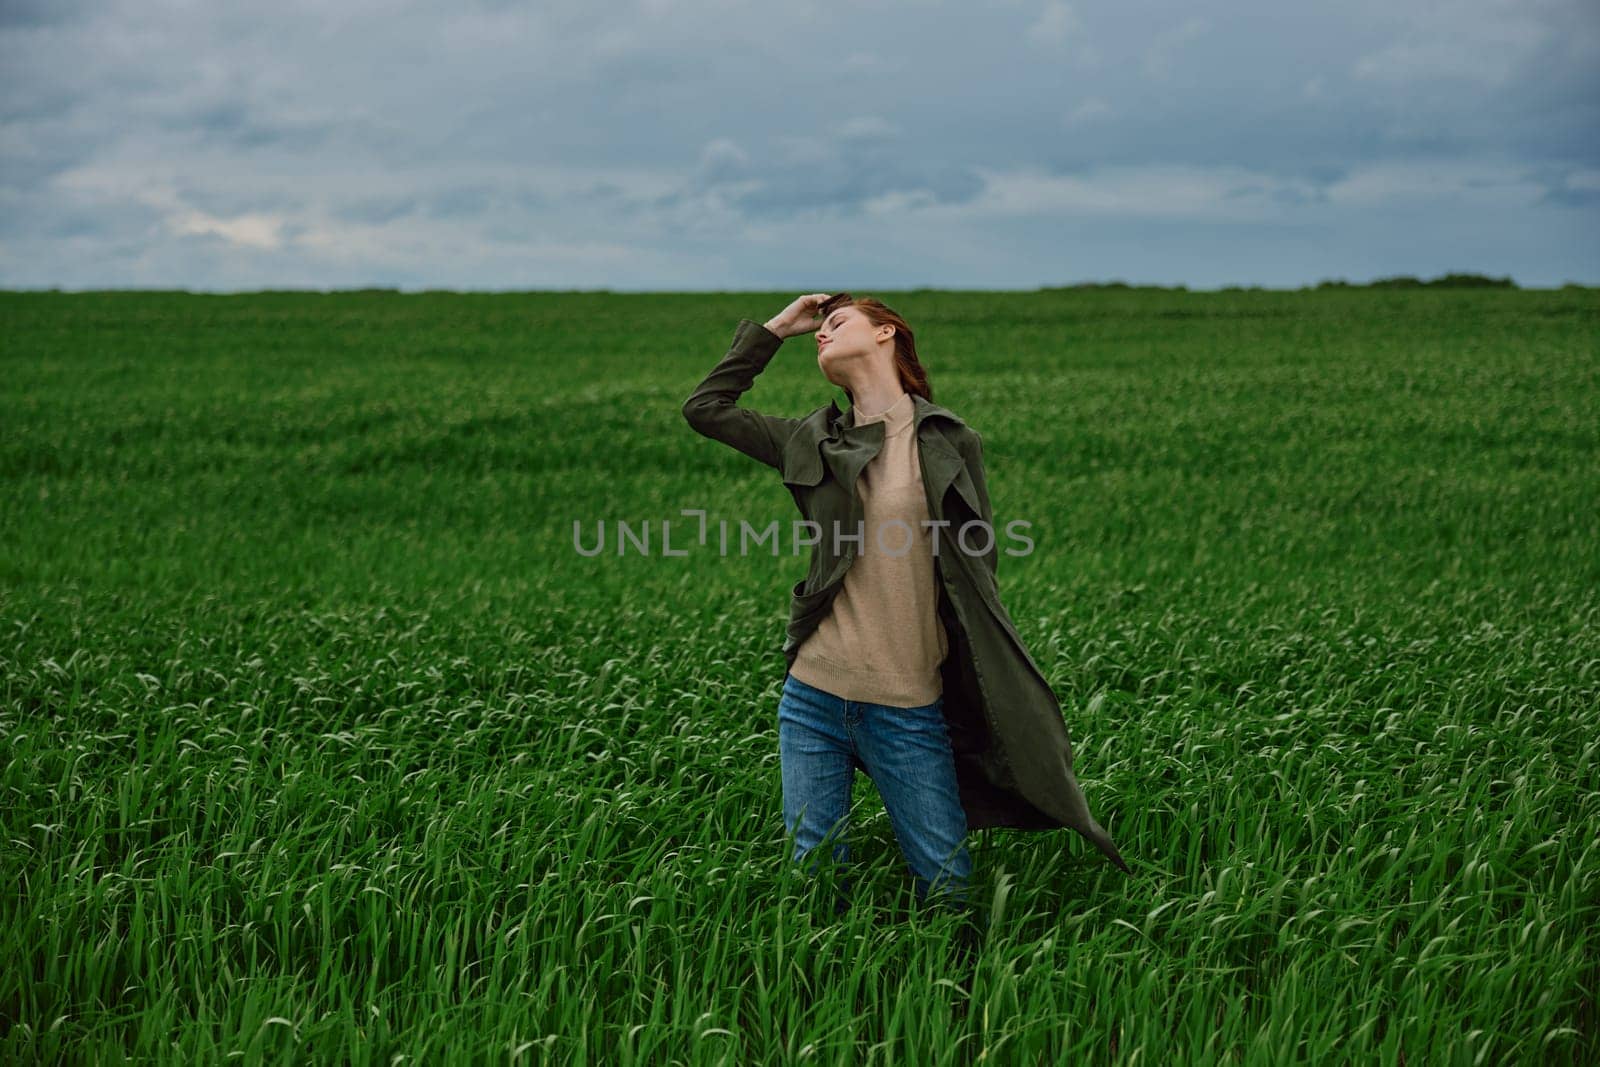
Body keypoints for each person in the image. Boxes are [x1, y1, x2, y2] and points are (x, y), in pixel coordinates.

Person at [683, 293, 987, 960]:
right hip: (814, 695)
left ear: (887, 333)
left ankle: (952, 1018)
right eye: (817, 328)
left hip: (907, 705)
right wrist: (775, 331)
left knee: (949, 889)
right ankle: (827, 1011)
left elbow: (977, 576)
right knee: (816, 884)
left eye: (837, 322)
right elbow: (705, 410)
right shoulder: (813, 439)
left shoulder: (949, 442)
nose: (822, 333)